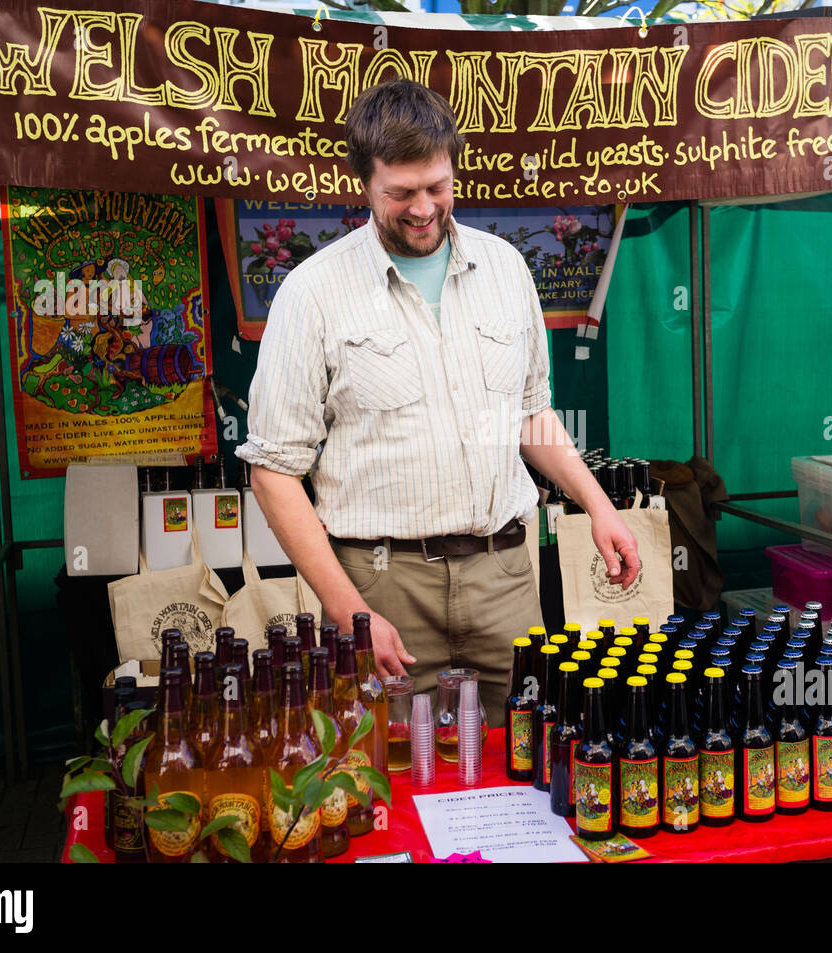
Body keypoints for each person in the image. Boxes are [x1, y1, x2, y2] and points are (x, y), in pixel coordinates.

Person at [236, 80, 639, 721]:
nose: (424, 209)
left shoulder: (507, 269)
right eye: (401, 193)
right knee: (386, 781)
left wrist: (599, 506)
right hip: (380, 583)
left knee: (527, 768)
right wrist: (350, 609)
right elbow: (273, 472)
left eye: (438, 187)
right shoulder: (312, 294)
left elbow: (530, 415)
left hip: (505, 576)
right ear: (364, 184)